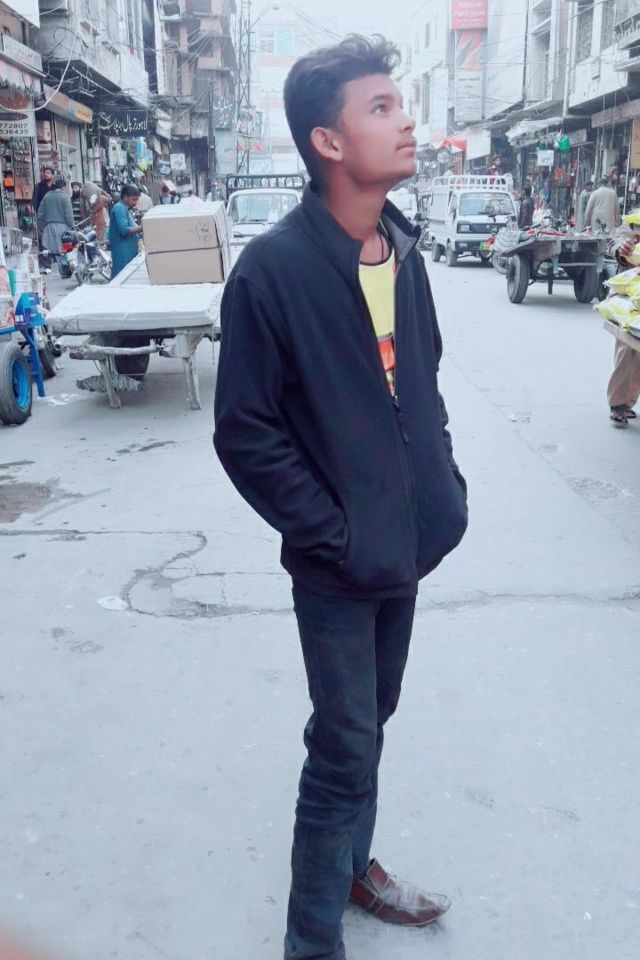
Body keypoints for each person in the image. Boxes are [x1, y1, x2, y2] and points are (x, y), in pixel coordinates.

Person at [214, 35, 468, 960]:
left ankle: (354, 870)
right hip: (337, 564)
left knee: (371, 723)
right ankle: (311, 940)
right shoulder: (273, 272)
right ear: (327, 141)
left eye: (402, 105)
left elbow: (421, 384)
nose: (407, 122)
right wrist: (333, 531)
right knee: (344, 745)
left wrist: (442, 490)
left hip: (406, 547)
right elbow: (244, 432)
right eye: (381, 108)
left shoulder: (403, 251)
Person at [607, 221, 640, 426]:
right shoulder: (635, 220)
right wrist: (623, 247)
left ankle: (627, 399)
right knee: (629, 348)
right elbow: (615, 240)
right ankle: (620, 402)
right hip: (633, 291)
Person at [36, 176, 74, 267]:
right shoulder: (65, 197)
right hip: (63, 228)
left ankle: (58, 268)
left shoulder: (46, 196)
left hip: (49, 227)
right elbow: (69, 215)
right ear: (63, 188)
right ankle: (66, 268)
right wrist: (72, 226)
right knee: (65, 250)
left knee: (53, 251)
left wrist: (41, 228)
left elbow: (40, 214)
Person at [109, 184, 143, 279]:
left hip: (128, 251)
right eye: (133, 200)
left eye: (136, 200)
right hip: (122, 252)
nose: (135, 203)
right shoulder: (119, 208)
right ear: (125, 197)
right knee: (120, 278)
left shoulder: (125, 209)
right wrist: (143, 227)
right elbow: (124, 230)